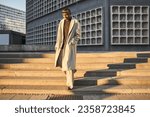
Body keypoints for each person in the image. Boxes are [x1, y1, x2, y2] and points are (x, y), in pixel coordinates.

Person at [54, 8, 81, 90]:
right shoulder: (61, 22)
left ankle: (70, 85)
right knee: (63, 65)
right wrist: (57, 44)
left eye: (66, 14)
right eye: (63, 14)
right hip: (61, 46)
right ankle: (73, 71)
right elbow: (59, 35)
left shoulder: (75, 22)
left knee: (68, 66)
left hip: (69, 46)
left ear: (69, 13)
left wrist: (72, 42)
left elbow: (78, 34)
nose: (65, 16)